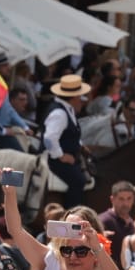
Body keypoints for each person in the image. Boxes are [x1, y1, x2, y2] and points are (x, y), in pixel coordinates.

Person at [45, 74, 90, 208]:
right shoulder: (60, 114)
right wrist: (61, 156)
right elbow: (49, 138)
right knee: (78, 181)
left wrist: (80, 146)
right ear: (75, 97)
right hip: (57, 161)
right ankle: (71, 214)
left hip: (71, 154)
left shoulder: (67, 109)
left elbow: (69, 134)